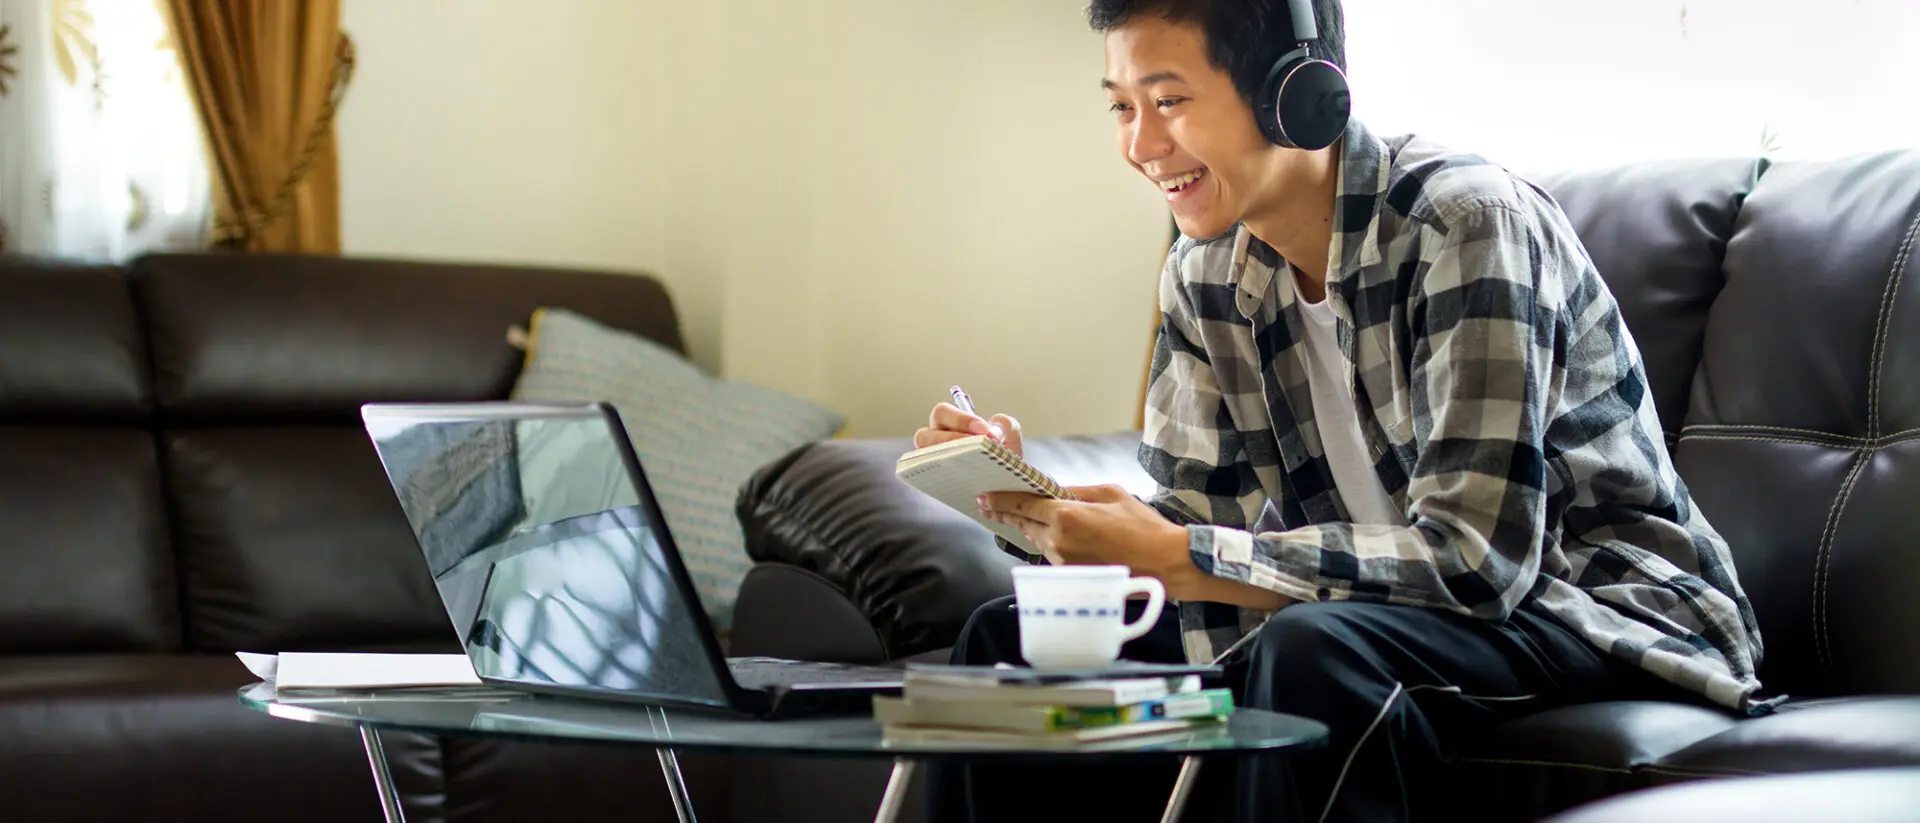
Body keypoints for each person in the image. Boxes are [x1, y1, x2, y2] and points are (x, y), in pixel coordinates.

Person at [916, 1, 1772, 820]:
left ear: (1294, 91)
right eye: (1122, 108)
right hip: (1378, 622)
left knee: (1317, 650)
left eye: (1170, 101)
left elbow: (1479, 562)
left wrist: (1181, 553)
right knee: (1011, 641)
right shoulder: (1204, 271)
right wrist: (1038, 507)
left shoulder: (1465, 224)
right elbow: (1195, 529)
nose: (1141, 145)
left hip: (1592, 614)